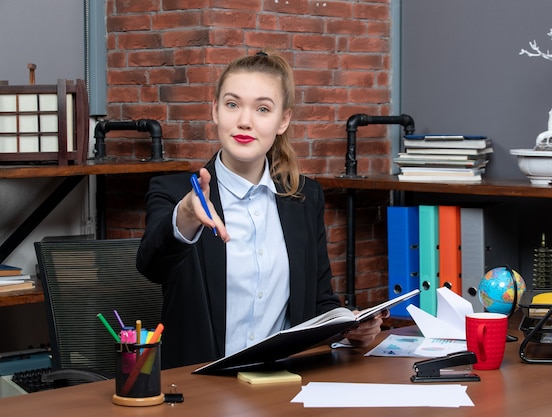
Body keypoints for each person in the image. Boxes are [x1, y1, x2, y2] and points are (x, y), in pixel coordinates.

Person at [136, 51, 383, 369]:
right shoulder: (175, 194)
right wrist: (184, 215)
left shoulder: (305, 198)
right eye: (232, 104)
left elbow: (319, 301)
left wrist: (348, 329)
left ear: (283, 120)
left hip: (284, 385)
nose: (244, 121)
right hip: (200, 389)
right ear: (215, 111)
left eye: (262, 109)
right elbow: (150, 267)